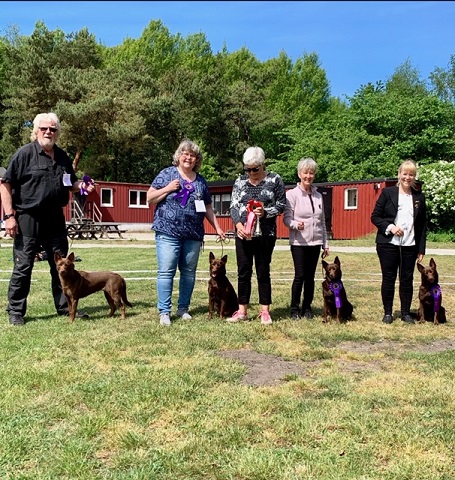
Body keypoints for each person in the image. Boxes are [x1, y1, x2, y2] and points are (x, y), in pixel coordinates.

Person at [0, 112, 95, 326]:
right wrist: (9, 216)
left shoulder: (62, 157)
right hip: (27, 218)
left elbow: (71, 183)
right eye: (44, 128)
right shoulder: (24, 154)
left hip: (55, 219)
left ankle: (65, 307)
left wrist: (82, 186)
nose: (48, 132)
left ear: (57, 132)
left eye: (52, 129)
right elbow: (5, 184)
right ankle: (16, 311)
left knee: (61, 268)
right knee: (23, 267)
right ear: (36, 131)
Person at [147, 139, 225, 326]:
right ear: (179, 156)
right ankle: (164, 312)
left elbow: (207, 207)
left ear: (197, 160)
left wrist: (218, 227)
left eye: (193, 155)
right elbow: (150, 197)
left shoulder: (200, 181)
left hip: (193, 234)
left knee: (189, 273)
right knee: (166, 272)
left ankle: (183, 309)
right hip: (168, 231)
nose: (189, 158)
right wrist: (168, 188)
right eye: (186, 154)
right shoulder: (167, 174)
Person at [228, 146, 286, 325]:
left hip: (266, 234)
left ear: (263, 164)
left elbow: (282, 205)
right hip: (243, 235)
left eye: (255, 168)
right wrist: (238, 225)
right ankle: (242, 310)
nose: (251, 172)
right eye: (248, 169)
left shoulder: (274, 179)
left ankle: (265, 311)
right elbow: (233, 206)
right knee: (243, 272)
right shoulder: (240, 181)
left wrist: (265, 212)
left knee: (263, 271)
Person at [371, 159, 427, 325]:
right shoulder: (388, 193)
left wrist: (421, 248)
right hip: (388, 244)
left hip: (410, 245)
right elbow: (375, 217)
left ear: (414, 177)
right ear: (399, 174)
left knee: (407, 279)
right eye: (405, 174)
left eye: (411, 174)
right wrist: (390, 227)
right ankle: (388, 313)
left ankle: (405, 313)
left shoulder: (419, 197)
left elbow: (422, 224)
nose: (407, 177)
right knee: (388, 278)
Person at [283, 158, 329, 320]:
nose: (308, 176)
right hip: (299, 243)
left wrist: (325, 243)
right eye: (305, 172)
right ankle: (294, 309)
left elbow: (322, 221)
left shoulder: (318, 196)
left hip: (315, 243)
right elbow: (286, 220)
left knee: (310, 277)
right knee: (300, 276)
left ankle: (307, 307)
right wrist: (296, 225)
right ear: (299, 174)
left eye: (311, 173)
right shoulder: (291, 195)